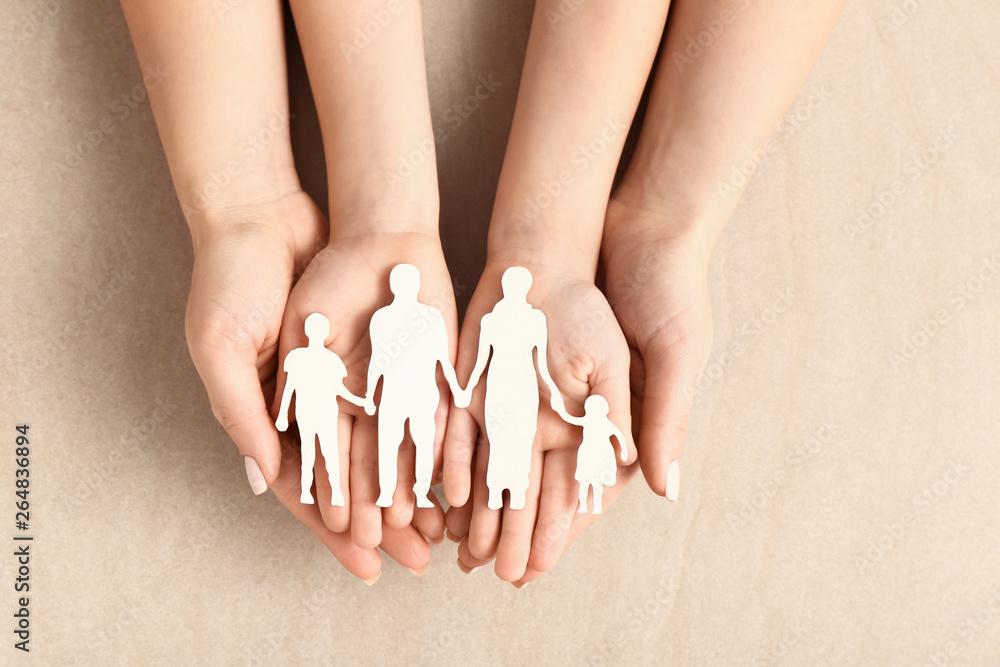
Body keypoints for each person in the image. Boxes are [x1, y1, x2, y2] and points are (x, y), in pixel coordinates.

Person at [461, 266, 565, 511]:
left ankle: (510, 490)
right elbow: (481, 361)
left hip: (508, 383)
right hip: (511, 384)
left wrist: (467, 389)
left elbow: (480, 364)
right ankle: (504, 490)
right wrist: (554, 390)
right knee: (510, 437)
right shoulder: (511, 319)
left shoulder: (505, 319)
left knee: (508, 437)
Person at [363, 264, 465, 509]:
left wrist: (369, 395)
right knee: (416, 442)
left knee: (395, 442)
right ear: (416, 285)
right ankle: (404, 492)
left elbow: (377, 361)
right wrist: (457, 390)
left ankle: (401, 492)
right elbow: (443, 361)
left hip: (407, 393)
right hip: (413, 392)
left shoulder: (386, 317)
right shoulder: (425, 316)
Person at [275, 313, 365, 506]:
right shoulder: (299, 358)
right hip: (309, 413)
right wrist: (282, 414)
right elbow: (289, 388)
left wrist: (360, 401)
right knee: (315, 453)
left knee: (325, 453)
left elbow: (339, 389)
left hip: (324, 413)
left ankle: (334, 493)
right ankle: (310, 492)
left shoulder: (330, 361)